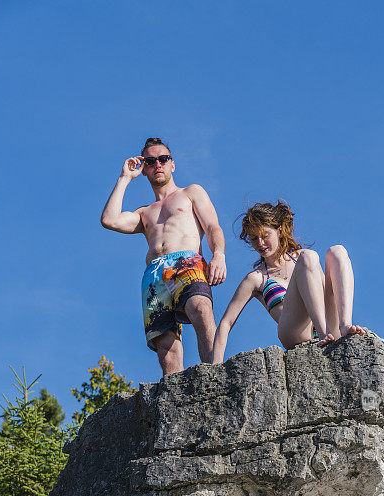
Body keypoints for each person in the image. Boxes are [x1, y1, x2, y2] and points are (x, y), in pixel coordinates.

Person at [101, 137, 226, 375]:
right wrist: (125, 178)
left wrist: (218, 254)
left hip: (186, 262)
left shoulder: (191, 193)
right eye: (150, 161)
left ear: (172, 164)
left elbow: (213, 227)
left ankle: (216, 375)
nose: (157, 164)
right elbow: (109, 219)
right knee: (165, 344)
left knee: (199, 308)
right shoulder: (144, 212)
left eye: (163, 159)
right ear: (145, 168)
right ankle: (174, 400)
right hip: (154, 275)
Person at [212, 200, 366, 363]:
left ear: (279, 231)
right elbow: (226, 323)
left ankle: (345, 325)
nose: (260, 244)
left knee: (337, 251)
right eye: (254, 239)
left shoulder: (302, 258)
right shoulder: (257, 278)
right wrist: (214, 367)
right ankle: (323, 334)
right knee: (308, 257)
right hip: (295, 332)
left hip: (331, 323)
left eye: (265, 236)